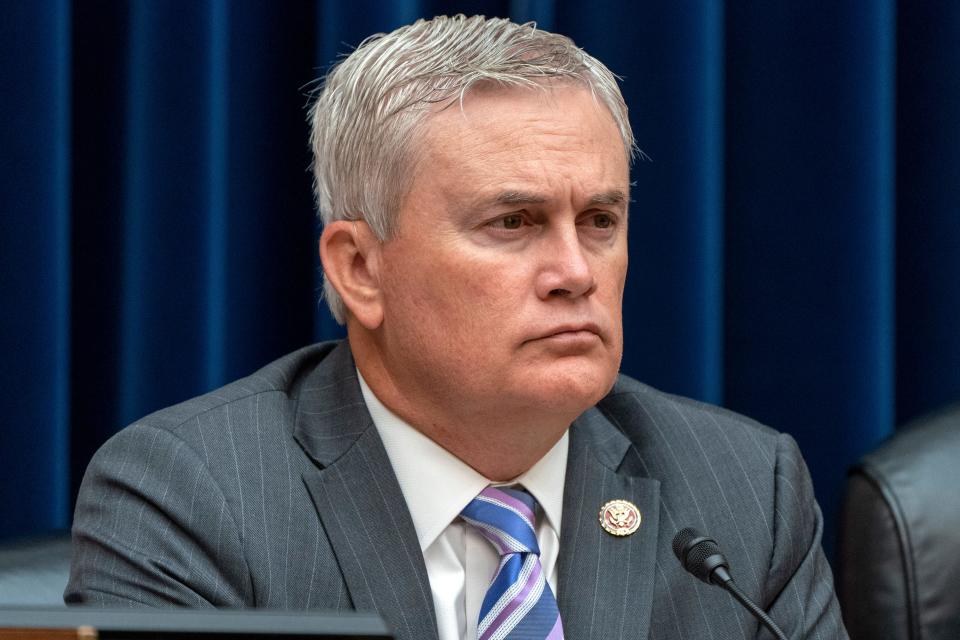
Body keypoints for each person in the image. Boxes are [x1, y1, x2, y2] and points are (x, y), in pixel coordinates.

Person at [66, 15, 848, 640]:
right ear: (360, 269)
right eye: (513, 222)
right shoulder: (196, 497)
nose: (576, 271)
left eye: (601, 220)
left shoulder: (745, 492)